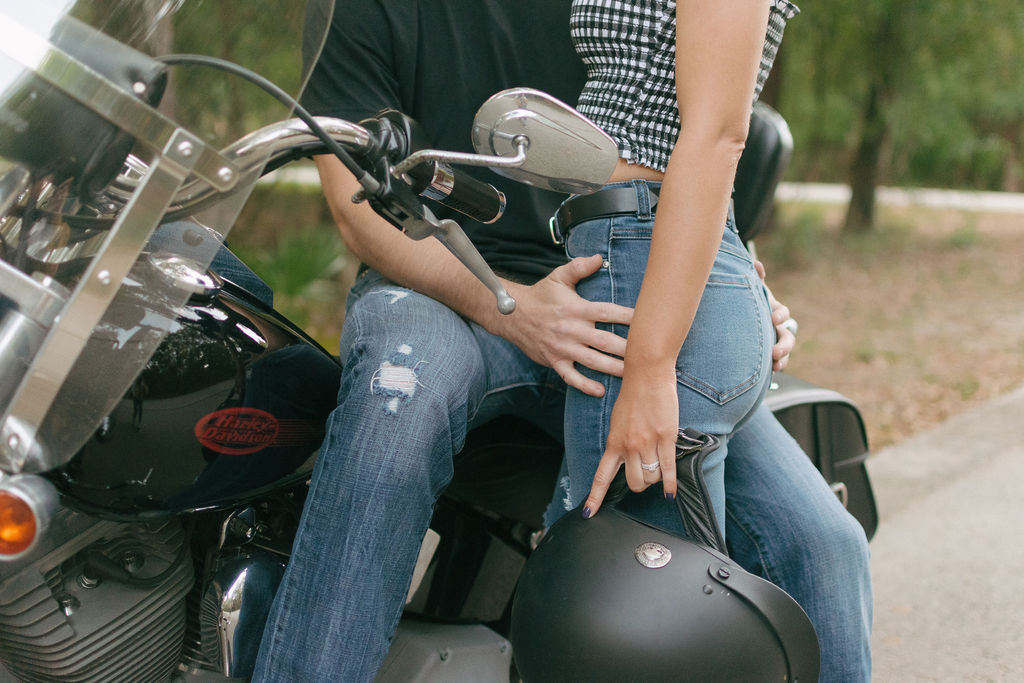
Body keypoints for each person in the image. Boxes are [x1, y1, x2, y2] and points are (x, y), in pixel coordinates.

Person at [252, 1, 872, 681]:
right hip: (444, 289)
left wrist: (734, 282)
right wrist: (510, 307)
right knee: (396, 405)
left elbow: (682, 136)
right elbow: (357, 209)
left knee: (822, 540)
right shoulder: (360, 8)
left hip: (614, 291)